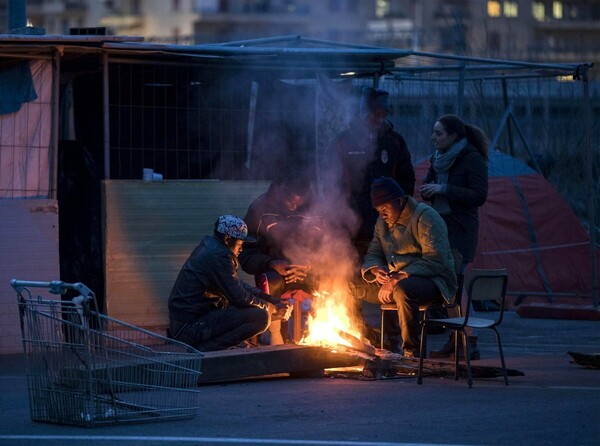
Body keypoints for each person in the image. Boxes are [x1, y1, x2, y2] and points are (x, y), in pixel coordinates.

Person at [328, 87, 416, 349]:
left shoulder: (394, 141)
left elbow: (407, 179)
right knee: (348, 276)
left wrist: (399, 212)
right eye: (373, 112)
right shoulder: (344, 141)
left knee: (388, 276)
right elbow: (331, 182)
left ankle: (390, 339)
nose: (378, 117)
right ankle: (355, 331)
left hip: (387, 227)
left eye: (383, 112)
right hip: (351, 224)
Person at [360, 177, 457, 357]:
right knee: (348, 282)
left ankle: (412, 353)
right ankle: (359, 338)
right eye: (378, 210)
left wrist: (399, 277)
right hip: (393, 281)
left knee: (403, 291)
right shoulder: (381, 224)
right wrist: (376, 269)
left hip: (432, 281)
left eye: (385, 208)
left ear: (399, 201)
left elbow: (436, 260)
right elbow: (373, 253)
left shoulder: (425, 217)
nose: (382, 214)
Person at [419, 114, 489, 360]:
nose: (433, 137)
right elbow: (431, 183)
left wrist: (444, 189)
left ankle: (469, 339)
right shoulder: (437, 159)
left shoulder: (471, 159)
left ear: (453, 136)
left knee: (456, 284)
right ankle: (456, 337)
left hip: (461, 230)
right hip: (440, 228)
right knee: (448, 285)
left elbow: (479, 195)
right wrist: (428, 189)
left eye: (438, 133)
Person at [168, 215, 291, 352]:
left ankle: (216, 347)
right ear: (227, 239)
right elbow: (239, 297)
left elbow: (238, 285)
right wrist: (271, 308)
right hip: (190, 326)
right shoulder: (219, 256)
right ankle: (204, 350)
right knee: (260, 317)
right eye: (240, 244)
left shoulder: (213, 249)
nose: (241, 249)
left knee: (257, 313)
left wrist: (270, 299)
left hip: (191, 322)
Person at [239, 173, 324, 344]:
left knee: (336, 277)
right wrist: (271, 263)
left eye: (299, 200)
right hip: (275, 274)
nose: (294, 204)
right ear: (282, 188)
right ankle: (277, 340)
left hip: (309, 271)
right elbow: (245, 254)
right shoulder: (261, 208)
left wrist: (309, 264)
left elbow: (333, 249)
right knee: (269, 282)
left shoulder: (318, 208)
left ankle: (323, 333)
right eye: (290, 199)